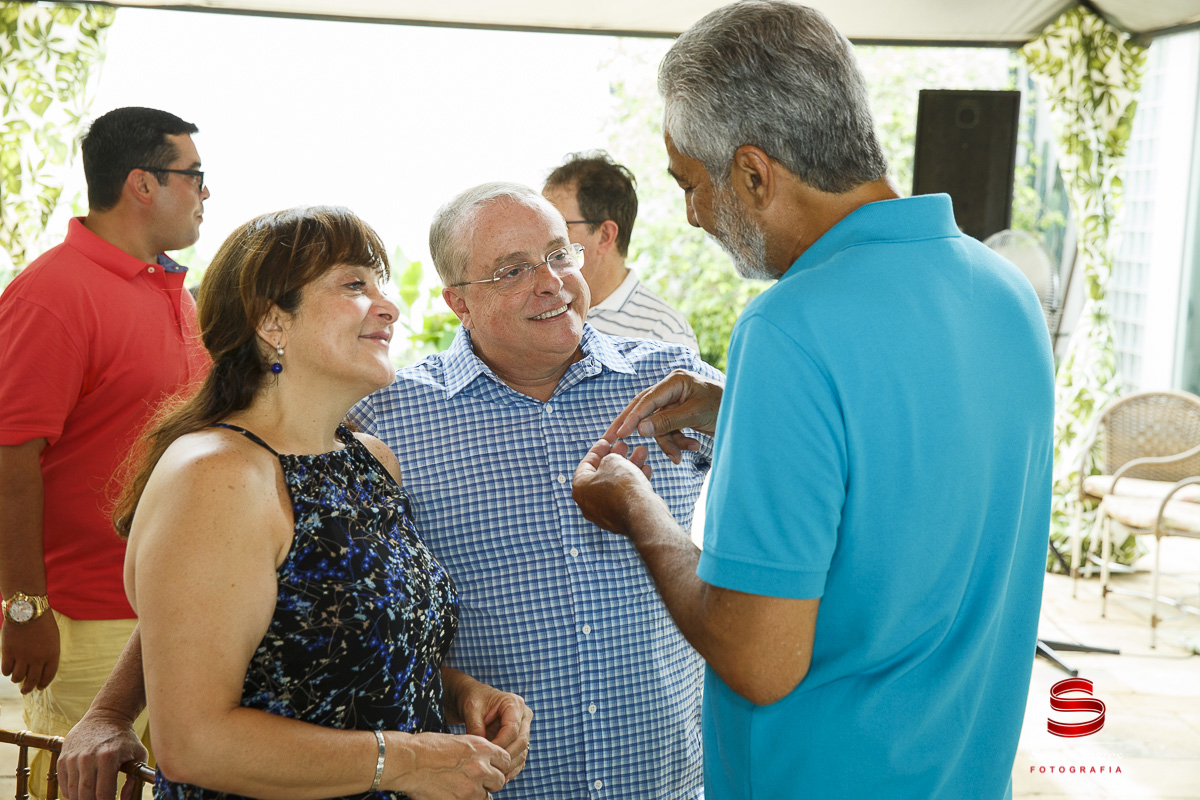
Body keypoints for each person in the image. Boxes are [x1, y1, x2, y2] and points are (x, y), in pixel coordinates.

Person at [60, 186, 714, 800]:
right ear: (459, 301)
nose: (549, 281)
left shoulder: (678, 389)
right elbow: (197, 622)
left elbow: (346, 628)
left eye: (557, 255)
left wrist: (459, 695)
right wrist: (111, 710)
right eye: (511, 269)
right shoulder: (368, 419)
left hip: (650, 775)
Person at [570, 3, 1055, 799]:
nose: (692, 216)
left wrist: (637, 509)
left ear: (755, 173)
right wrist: (739, 410)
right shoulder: (1004, 291)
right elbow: (915, 458)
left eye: (691, 184)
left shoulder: (790, 326)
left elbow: (759, 659)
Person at [76, 205, 530, 800]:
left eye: (381, 285)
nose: (388, 306)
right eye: (353, 285)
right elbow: (193, 742)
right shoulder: (218, 476)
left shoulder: (368, 460)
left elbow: (328, 658)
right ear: (272, 323)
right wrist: (408, 759)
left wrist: (458, 692)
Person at [0, 106, 211, 799]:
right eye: (196, 177)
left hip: (171, 603)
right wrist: (25, 608)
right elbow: (8, 462)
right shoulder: (52, 294)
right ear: (142, 185)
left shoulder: (171, 286)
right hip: (88, 616)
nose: (206, 194)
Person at [543, 151, 698, 349]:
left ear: (605, 235)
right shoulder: (539, 310)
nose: (544, 238)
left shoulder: (665, 334)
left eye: (561, 226)